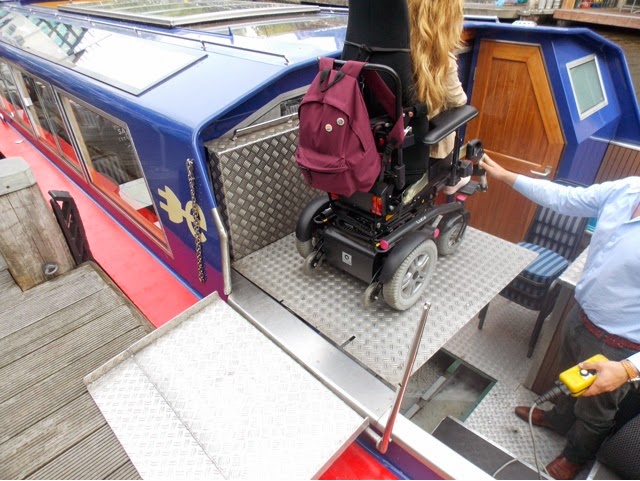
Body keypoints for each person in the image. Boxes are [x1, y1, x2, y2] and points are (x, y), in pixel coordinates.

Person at [479, 154, 640, 480]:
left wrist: (627, 369)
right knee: (568, 379)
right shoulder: (628, 189)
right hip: (581, 315)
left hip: (618, 347)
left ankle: (574, 456)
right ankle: (558, 419)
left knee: (596, 412)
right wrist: (508, 176)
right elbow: (565, 198)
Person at [402, 0, 468, 203]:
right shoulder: (442, 61)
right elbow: (459, 100)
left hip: (391, 144)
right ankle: (454, 178)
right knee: (456, 115)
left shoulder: (390, 52)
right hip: (428, 150)